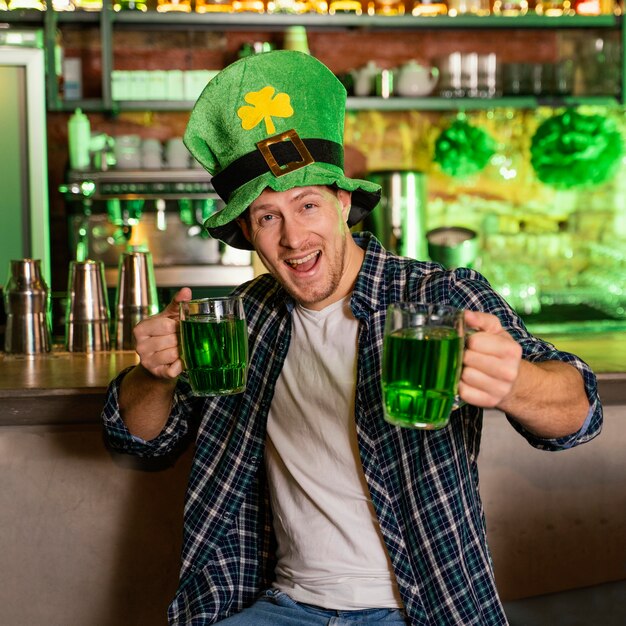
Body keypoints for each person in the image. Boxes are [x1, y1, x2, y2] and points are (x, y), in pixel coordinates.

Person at [102, 51, 602, 626]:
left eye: (307, 205)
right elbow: (138, 443)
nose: (293, 238)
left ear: (343, 204)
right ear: (246, 232)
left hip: (420, 609)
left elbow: (580, 413)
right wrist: (153, 376)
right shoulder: (239, 320)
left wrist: (515, 382)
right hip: (278, 606)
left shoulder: (441, 296)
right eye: (267, 217)